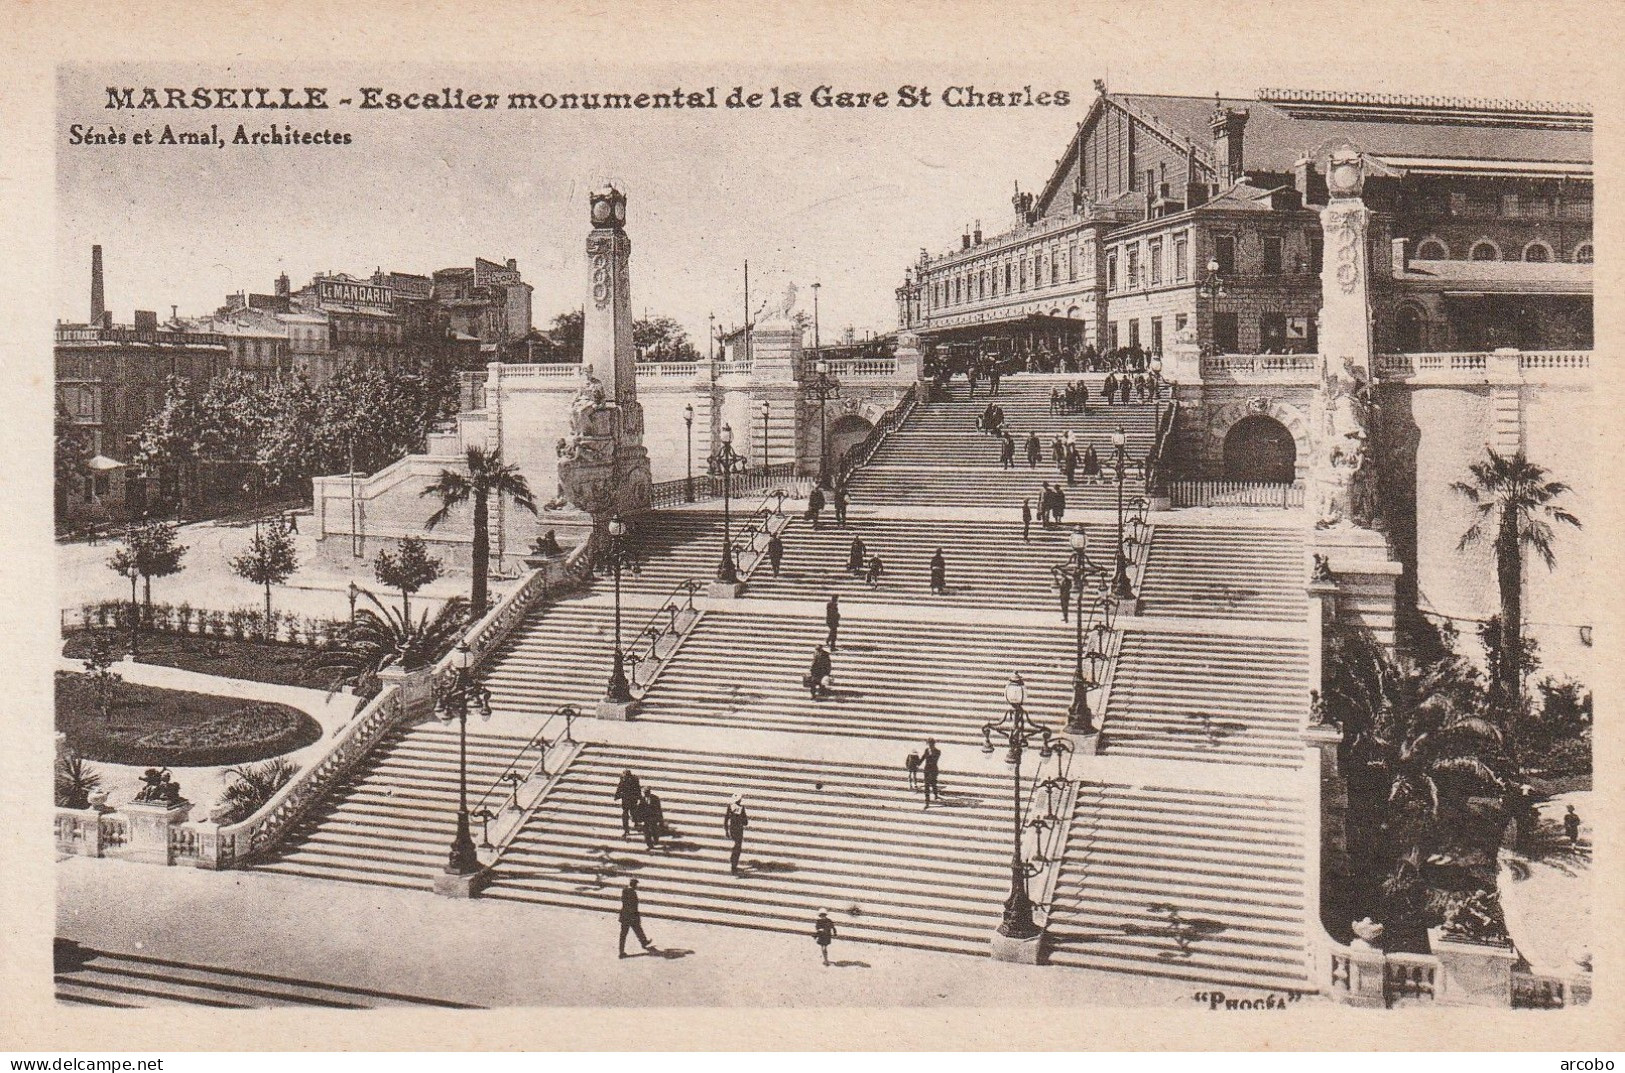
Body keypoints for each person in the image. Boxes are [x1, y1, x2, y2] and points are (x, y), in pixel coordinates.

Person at [618, 878, 655, 957]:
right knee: (635, 930)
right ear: (634, 885)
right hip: (631, 916)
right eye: (636, 885)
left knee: (625, 933)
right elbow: (634, 906)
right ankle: (643, 942)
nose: (636, 887)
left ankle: (622, 951)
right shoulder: (633, 893)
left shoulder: (624, 890)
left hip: (624, 915)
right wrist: (637, 916)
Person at [724, 793, 749, 875]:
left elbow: (726, 820)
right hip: (739, 830)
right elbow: (745, 822)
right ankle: (734, 865)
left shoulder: (730, 807)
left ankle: (733, 862)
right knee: (738, 848)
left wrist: (726, 831)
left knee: (736, 846)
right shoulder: (741, 808)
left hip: (732, 829)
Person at [614, 768, 643, 838]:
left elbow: (638, 789)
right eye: (624, 775)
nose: (625, 776)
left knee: (634, 813)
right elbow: (619, 787)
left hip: (632, 800)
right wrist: (617, 795)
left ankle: (636, 824)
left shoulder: (634, 780)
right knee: (625, 815)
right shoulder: (622, 779)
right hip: (625, 800)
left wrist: (639, 797)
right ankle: (626, 830)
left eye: (626, 775)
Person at [921, 738, 942, 806]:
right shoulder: (926, 750)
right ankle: (927, 802)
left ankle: (935, 794)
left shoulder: (938, 751)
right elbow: (923, 757)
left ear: (933, 744)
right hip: (926, 770)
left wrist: (930, 754)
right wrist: (917, 763)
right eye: (929, 744)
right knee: (926, 786)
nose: (930, 746)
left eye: (931, 744)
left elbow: (934, 760)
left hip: (933, 770)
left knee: (933, 783)